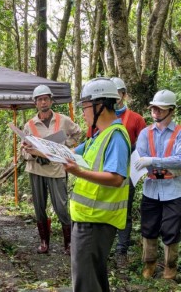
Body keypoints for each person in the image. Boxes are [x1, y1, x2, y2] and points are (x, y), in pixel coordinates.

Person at [64, 78, 131, 292]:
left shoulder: (116, 136)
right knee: (94, 277)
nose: (83, 113)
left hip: (96, 221)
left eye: (85, 106)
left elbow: (116, 178)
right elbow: (68, 154)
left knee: (85, 282)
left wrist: (79, 172)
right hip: (88, 218)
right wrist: (39, 149)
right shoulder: (97, 137)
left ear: (99, 105)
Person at [21, 85, 81, 255]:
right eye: (40, 99)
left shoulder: (63, 120)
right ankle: (44, 242)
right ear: (35, 103)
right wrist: (28, 151)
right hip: (36, 168)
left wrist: (65, 147)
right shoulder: (29, 125)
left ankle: (68, 243)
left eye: (46, 98)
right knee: (39, 206)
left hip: (56, 168)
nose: (43, 102)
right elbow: (23, 150)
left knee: (61, 206)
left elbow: (77, 133)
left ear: (51, 100)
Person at [134, 89, 181, 280]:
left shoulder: (179, 133)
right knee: (149, 227)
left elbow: (179, 159)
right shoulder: (146, 133)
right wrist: (157, 161)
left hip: (174, 189)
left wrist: (153, 160)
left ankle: (170, 267)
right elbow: (140, 155)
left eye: (160, 110)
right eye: (154, 109)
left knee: (172, 229)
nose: (156, 113)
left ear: (171, 111)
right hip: (151, 189)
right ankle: (149, 264)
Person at [108, 77, 146, 265]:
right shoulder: (101, 117)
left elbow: (144, 146)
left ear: (124, 94)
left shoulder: (136, 119)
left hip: (128, 171)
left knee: (125, 209)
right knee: (106, 208)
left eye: (118, 93)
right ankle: (105, 245)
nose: (116, 98)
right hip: (106, 170)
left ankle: (121, 249)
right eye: (112, 94)